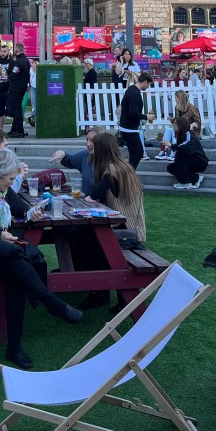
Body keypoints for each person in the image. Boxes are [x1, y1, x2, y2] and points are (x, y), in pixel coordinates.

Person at [0, 148, 82, 369]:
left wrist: (32, 213)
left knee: (14, 273)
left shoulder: (2, 190)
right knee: (14, 263)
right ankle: (52, 305)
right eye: (10, 178)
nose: (13, 182)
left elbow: (21, 209)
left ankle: (15, 348)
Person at [76, 131, 147, 308]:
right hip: (131, 228)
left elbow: (93, 195)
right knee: (86, 237)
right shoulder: (123, 165)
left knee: (90, 240)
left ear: (102, 150)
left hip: (129, 233)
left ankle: (100, 292)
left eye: (94, 146)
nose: (90, 147)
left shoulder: (112, 170)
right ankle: (99, 291)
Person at [117, 72, 153, 169]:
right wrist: (146, 116)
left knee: (138, 153)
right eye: (148, 84)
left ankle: (129, 174)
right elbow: (133, 113)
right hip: (129, 129)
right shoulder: (135, 93)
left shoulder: (131, 89)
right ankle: (128, 175)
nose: (148, 87)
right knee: (136, 154)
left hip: (126, 127)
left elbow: (125, 105)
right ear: (145, 82)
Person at [50, 129, 98, 194]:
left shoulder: (110, 162)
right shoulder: (85, 155)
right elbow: (70, 160)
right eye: (87, 140)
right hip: (87, 199)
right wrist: (63, 154)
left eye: (92, 140)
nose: (87, 144)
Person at [166, 116, 209, 190]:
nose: (173, 125)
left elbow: (185, 148)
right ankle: (195, 178)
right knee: (171, 168)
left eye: (175, 123)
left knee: (180, 155)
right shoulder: (181, 135)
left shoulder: (188, 134)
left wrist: (171, 145)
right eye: (173, 123)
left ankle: (186, 182)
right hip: (190, 160)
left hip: (199, 161)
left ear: (181, 125)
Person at [6, 43, 30, 137]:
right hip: (22, 87)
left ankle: (19, 131)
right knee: (17, 109)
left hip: (15, 88)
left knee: (16, 110)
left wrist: (9, 75)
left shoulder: (19, 62)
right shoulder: (26, 61)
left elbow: (13, 75)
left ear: (16, 51)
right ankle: (14, 129)